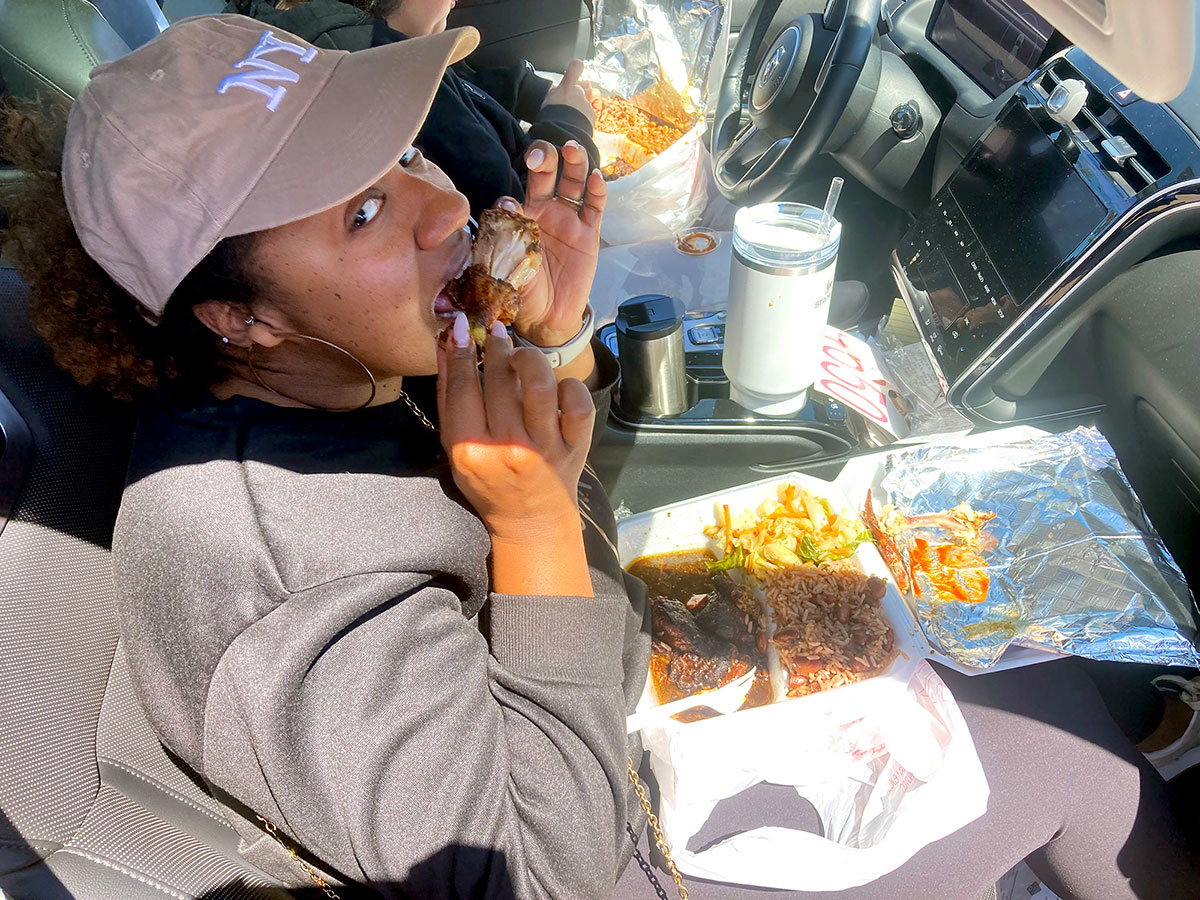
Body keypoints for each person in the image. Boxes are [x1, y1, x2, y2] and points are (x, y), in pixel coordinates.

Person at [1, 15, 1197, 900]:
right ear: (236, 315)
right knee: (1066, 741)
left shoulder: (356, 370)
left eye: (405, 157)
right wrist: (527, 523)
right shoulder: (270, 565)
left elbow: (556, 516)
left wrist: (555, 339)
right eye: (360, 214)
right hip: (618, 847)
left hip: (621, 696)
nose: (438, 209)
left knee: (972, 620)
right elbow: (538, 864)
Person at [226, 0, 599, 218]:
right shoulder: (396, 75)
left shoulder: (309, 29)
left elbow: (461, 91)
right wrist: (568, 125)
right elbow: (522, 211)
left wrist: (525, 91)